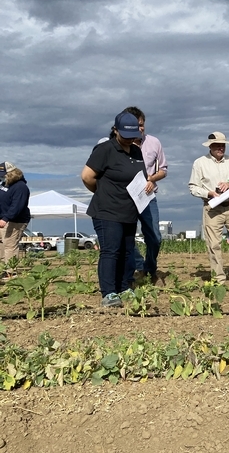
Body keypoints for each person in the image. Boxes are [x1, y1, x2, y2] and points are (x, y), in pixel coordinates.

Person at [81, 111, 145, 307]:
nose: (129, 139)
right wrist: (101, 192)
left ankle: (124, 287)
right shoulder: (105, 149)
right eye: (125, 135)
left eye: (133, 135)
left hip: (129, 210)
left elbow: (139, 177)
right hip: (107, 211)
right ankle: (109, 293)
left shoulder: (136, 151)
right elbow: (87, 177)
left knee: (127, 251)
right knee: (111, 251)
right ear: (115, 130)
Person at [188, 131, 229, 284]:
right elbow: (193, 187)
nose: (220, 148)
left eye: (223, 145)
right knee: (214, 245)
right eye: (217, 145)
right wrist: (209, 193)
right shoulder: (199, 163)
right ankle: (219, 279)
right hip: (212, 208)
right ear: (210, 146)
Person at [124, 106, 167, 284]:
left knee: (155, 237)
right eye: (136, 125)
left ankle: (150, 268)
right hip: (126, 198)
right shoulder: (121, 144)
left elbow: (163, 170)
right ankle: (139, 266)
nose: (140, 129)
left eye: (142, 125)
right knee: (126, 236)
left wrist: (152, 178)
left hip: (148, 197)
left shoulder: (154, 143)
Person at [0, 162, 30, 277]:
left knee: (10, 245)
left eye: (3, 174)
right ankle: (4, 268)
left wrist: (6, 218)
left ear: (11, 173)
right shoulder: (5, 184)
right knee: (3, 244)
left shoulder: (20, 187)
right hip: (3, 219)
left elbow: (17, 206)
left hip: (15, 221)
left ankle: (11, 273)